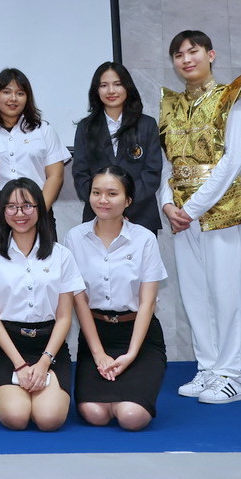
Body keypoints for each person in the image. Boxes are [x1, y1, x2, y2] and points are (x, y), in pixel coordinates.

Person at [159, 30, 241, 404]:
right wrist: (167, 205)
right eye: (178, 54)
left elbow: (234, 160)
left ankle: (231, 375)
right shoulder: (170, 105)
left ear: (210, 55)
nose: (186, 59)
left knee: (225, 293)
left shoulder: (234, 97)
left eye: (193, 51)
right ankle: (209, 368)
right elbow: (168, 163)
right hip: (181, 214)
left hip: (222, 210)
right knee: (195, 294)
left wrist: (191, 208)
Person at [0, 177, 85, 431]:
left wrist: (44, 362)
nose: (19, 213)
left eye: (27, 206)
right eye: (11, 207)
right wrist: (20, 364)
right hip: (8, 349)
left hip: (49, 348)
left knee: (49, 420)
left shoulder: (61, 255)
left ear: (39, 209)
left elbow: (64, 317)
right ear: (3, 212)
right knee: (16, 417)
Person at [64, 166, 167, 430]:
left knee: (131, 417)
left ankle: (130, 393)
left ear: (128, 200)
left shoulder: (144, 239)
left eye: (112, 193)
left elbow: (147, 303)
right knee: (94, 414)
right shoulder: (75, 238)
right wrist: (98, 354)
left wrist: (131, 354)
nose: (103, 200)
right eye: (96, 192)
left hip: (138, 336)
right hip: (96, 335)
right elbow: (79, 301)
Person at [72, 62, 163, 233]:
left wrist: (123, 205)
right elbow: (80, 174)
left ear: (127, 87)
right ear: (96, 90)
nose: (111, 91)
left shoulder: (147, 125)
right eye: (104, 85)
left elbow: (152, 173)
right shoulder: (85, 127)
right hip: (98, 218)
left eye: (117, 84)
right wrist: (105, 207)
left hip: (141, 217)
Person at [0, 68, 70, 234]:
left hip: (38, 203)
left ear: (27, 97)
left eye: (20, 93)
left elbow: (56, 176)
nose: (13, 98)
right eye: (6, 92)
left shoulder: (43, 129)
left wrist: (38, 212)